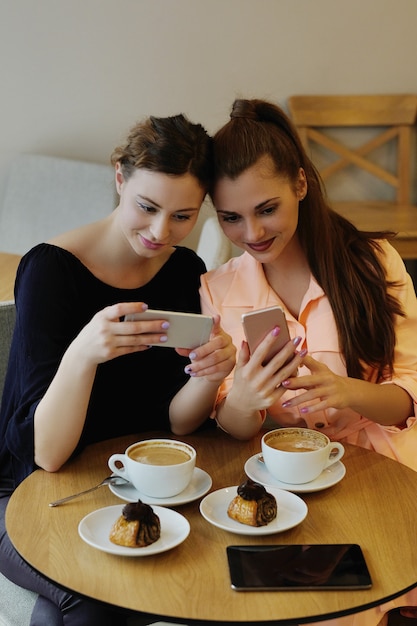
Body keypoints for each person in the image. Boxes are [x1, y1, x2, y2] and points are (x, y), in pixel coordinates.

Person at [0, 112, 236, 625]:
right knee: (93, 599)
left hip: (129, 484)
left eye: (182, 216)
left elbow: (176, 423)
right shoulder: (50, 271)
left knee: (86, 605)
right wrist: (84, 353)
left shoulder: (185, 271)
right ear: (119, 178)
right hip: (29, 492)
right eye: (147, 207)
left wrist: (211, 373)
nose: (159, 231)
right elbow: (47, 456)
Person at [199, 98, 417, 626]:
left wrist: (351, 393)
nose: (252, 234)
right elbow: (225, 419)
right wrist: (245, 404)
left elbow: (409, 392)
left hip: (385, 474)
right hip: (285, 481)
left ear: (300, 184)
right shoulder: (218, 288)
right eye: (231, 217)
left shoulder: (374, 263)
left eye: (266, 208)